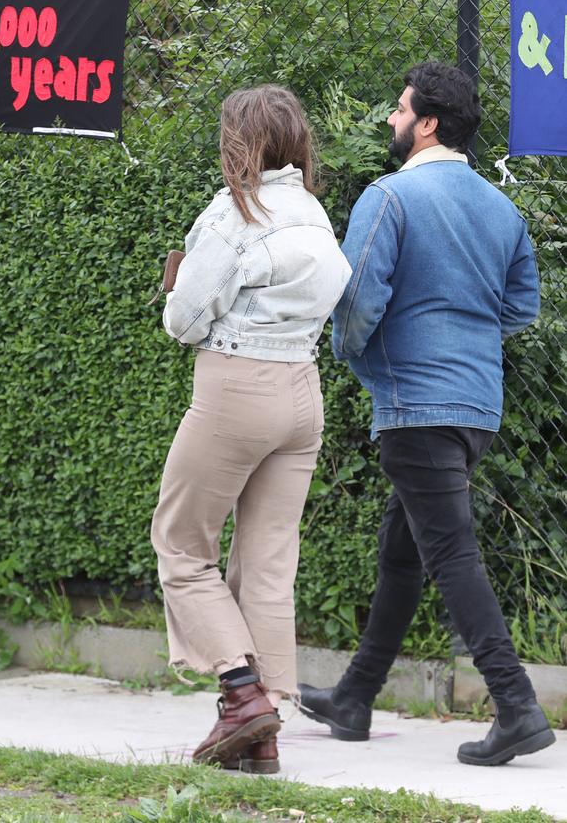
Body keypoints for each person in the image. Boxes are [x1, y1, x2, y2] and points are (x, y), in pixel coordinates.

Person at [298, 61, 556, 766]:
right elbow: (520, 307)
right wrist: (462, 337)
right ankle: (355, 697)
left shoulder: (391, 197)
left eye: (399, 107)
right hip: (476, 404)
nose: (390, 117)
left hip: (416, 403)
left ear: (428, 122)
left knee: (450, 554)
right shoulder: (500, 209)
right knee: (403, 551)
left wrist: (358, 360)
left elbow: (354, 304)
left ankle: (516, 705)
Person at [151, 84, 352, 773]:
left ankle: (241, 695)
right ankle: (260, 737)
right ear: (296, 140)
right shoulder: (315, 213)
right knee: (266, 562)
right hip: (303, 392)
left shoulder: (232, 214)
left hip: (237, 387)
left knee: (181, 544)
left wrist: (177, 290)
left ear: (239, 141)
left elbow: (183, 322)